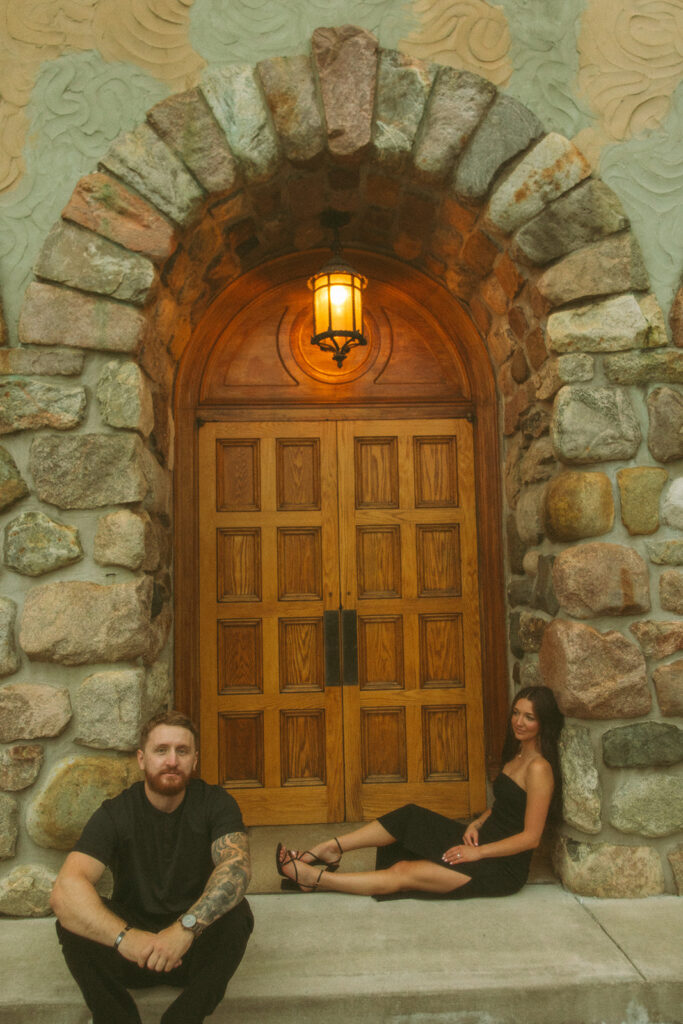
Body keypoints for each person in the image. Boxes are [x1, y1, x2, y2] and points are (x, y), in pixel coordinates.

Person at [50, 710, 253, 1024]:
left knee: (238, 912)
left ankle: (184, 1018)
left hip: (191, 946)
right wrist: (126, 939)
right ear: (142, 759)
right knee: (70, 918)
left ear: (194, 760)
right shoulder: (116, 812)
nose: (172, 760)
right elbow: (66, 889)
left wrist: (185, 928)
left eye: (182, 751)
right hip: (132, 950)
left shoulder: (215, 803)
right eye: (161, 750)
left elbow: (236, 868)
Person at [277, 685, 563, 899]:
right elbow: (508, 805)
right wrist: (477, 822)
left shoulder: (539, 768)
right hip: (481, 841)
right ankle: (329, 849)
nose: (519, 722)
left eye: (529, 717)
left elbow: (531, 837)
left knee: (404, 871)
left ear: (543, 724)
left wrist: (478, 854)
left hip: (501, 868)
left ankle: (314, 878)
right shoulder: (517, 756)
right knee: (410, 816)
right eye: (516, 713)